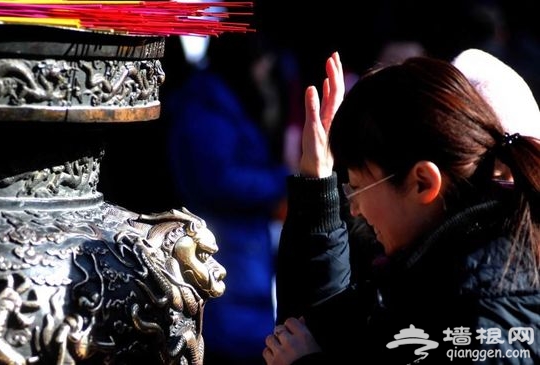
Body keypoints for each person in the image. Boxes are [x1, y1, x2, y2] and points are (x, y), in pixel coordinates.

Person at [263, 51, 540, 364]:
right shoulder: (429, 272)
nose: (354, 209)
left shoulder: (484, 319)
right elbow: (312, 333)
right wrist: (318, 187)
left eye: (357, 187)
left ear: (422, 182)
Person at [163, 32, 290, 365]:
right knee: (231, 341)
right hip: (224, 240)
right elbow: (216, 179)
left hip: (242, 242)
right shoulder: (206, 106)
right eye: (261, 63)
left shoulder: (223, 101)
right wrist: (282, 181)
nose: (265, 71)